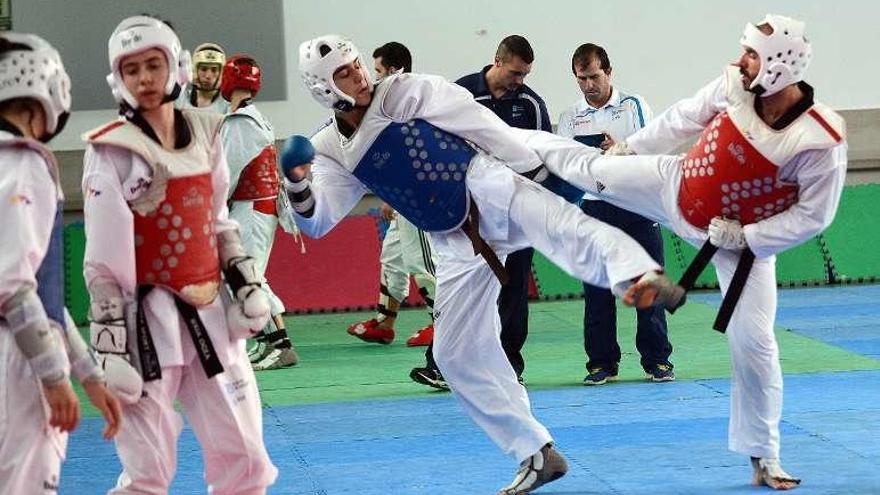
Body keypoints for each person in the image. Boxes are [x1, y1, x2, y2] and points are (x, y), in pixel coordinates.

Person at [284, 34, 685, 494]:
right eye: (343, 72)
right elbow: (317, 221)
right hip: (453, 241)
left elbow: (470, 116)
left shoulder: (400, 91)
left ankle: (637, 274)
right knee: (453, 354)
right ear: (321, 86)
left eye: (356, 64)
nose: (357, 74)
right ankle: (535, 451)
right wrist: (297, 185)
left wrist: (526, 167)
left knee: (555, 220)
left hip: (481, 181)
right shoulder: (330, 149)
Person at [525, 14, 844, 490]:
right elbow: (682, 117)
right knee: (590, 169)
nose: (741, 60)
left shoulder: (820, 139)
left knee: (755, 345)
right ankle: (495, 154)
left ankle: (765, 455)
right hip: (675, 185)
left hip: (740, 244)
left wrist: (747, 238)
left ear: (781, 63)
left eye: (752, 54)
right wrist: (629, 149)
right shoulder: (735, 84)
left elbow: (812, 217)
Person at [82, 16, 277, 492]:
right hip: (144, 327)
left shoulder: (209, 132)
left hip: (210, 315)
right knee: (148, 472)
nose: (145, 79)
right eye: (132, 70)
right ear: (117, 80)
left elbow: (220, 222)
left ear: (177, 67)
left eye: (154, 64)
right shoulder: (110, 151)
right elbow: (103, 262)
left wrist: (246, 280)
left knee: (247, 459)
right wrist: (109, 344)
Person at [0, 32, 122, 494]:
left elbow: (41, 294)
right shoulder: (23, 162)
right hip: (15, 363)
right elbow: (15, 288)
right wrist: (54, 377)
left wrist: (89, 375)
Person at [410, 35, 553, 389]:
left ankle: (509, 367)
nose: (520, 81)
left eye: (525, 75)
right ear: (497, 61)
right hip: (464, 213)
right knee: (457, 289)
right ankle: (440, 365)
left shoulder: (532, 105)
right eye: (516, 73)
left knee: (513, 290)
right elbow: (431, 145)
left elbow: (545, 159)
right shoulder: (461, 94)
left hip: (514, 213)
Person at [556, 43, 675, 385]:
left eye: (594, 76)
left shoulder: (633, 106)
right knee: (597, 289)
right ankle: (601, 362)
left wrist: (618, 152)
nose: (589, 85)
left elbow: (651, 153)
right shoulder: (569, 118)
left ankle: (657, 360)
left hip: (636, 205)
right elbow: (563, 166)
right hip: (594, 208)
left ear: (609, 72)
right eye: (581, 79)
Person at [347, 41, 438, 348]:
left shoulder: (411, 102)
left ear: (393, 70)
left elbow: (410, 157)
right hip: (402, 195)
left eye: (378, 70)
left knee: (421, 261)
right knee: (393, 258)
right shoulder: (388, 106)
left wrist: (393, 195)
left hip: (418, 197)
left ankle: (444, 324)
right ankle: (385, 323)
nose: (373, 78)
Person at [219, 54, 301, 370]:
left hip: (250, 209)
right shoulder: (252, 117)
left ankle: (281, 345)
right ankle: (269, 342)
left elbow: (226, 171)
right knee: (249, 276)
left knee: (247, 276)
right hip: (254, 208)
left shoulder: (242, 122)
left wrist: (211, 206)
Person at [175, 42, 230, 114]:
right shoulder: (178, 101)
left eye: (214, 70)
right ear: (195, 70)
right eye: (203, 69)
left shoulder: (228, 106)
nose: (208, 76)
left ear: (221, 73)